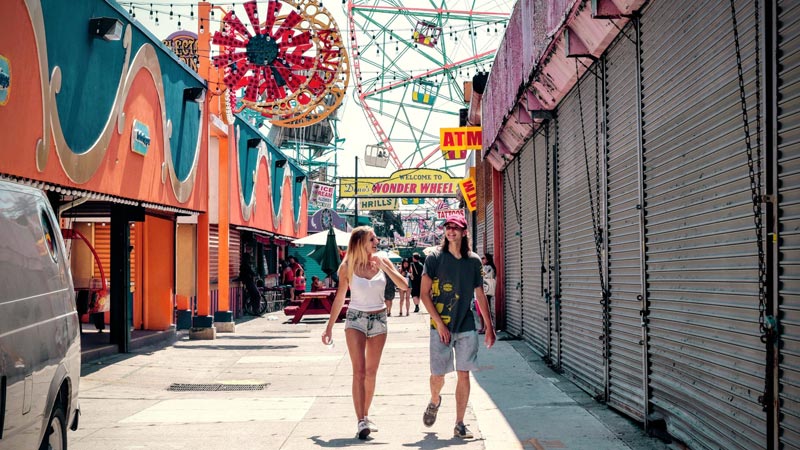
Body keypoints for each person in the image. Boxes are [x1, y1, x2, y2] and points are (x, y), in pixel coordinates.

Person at [321, 226, 408, 440]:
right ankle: (361, 420)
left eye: (376, 239)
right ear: (360, 242)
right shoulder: (347, 266)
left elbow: (404, 285)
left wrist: (385, 267)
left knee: (371, 372)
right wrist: (329, 326)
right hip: (355, 319)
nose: (376, 242)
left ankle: (366, 414)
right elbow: (340, 297)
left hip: (379, 319)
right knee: (358, 371)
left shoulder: (382, 261)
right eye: (372, 239)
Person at [419, 215, 495, 439]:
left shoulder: (473, 261)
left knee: (464, 374)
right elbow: (424, 294)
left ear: (464, 232)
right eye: (448, 227)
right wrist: (439, 324)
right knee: (438, 376)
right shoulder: (434, 258)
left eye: (455, 227)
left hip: (466, 325)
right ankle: (435, 400)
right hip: (440, 326)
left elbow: (480, 294)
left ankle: (459, 423)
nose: (451, 231)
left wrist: (489, 327)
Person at [480, 254, 497, 333]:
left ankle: (486, 328)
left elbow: (480, 275)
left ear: (487, 260)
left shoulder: (487, 267)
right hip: (488, 289)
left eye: (483, 258)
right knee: (487, 308)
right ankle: (486, 327)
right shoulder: (490, 267)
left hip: (486, 289)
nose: (482, 259)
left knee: (486, 309)